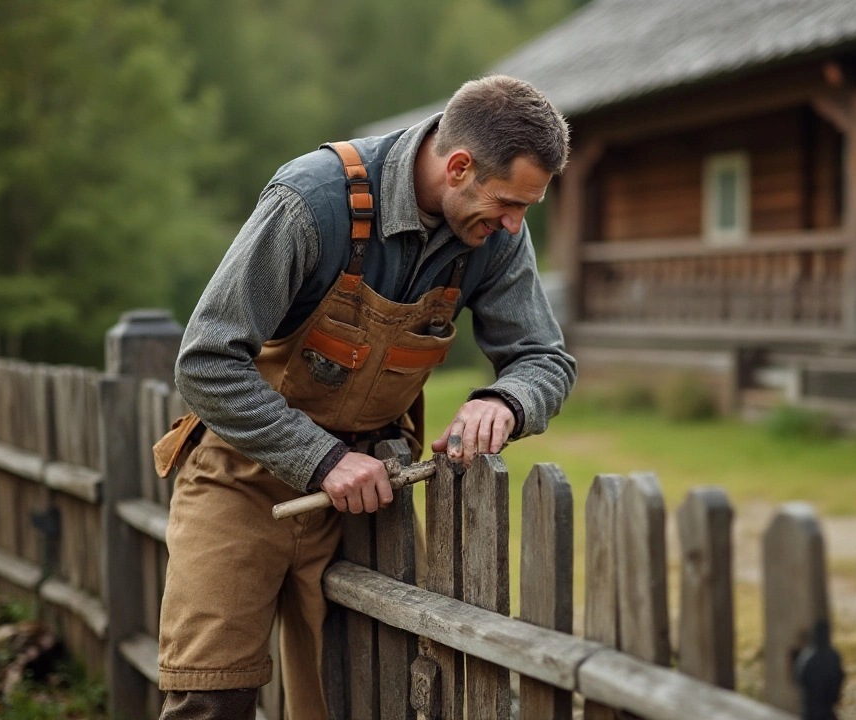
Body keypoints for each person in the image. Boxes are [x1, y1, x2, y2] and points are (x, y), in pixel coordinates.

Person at [151, 75, 576, 720]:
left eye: (526, 208)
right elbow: (206, 361)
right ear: (458, 167)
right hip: (242, 479)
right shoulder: (312, 201)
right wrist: (321, 461)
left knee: (369, 699)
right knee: (212, 695)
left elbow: (545, 358)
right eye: (508, 203)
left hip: (374, 496)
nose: (516, 224)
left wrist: (507, 401)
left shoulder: (497, 238)